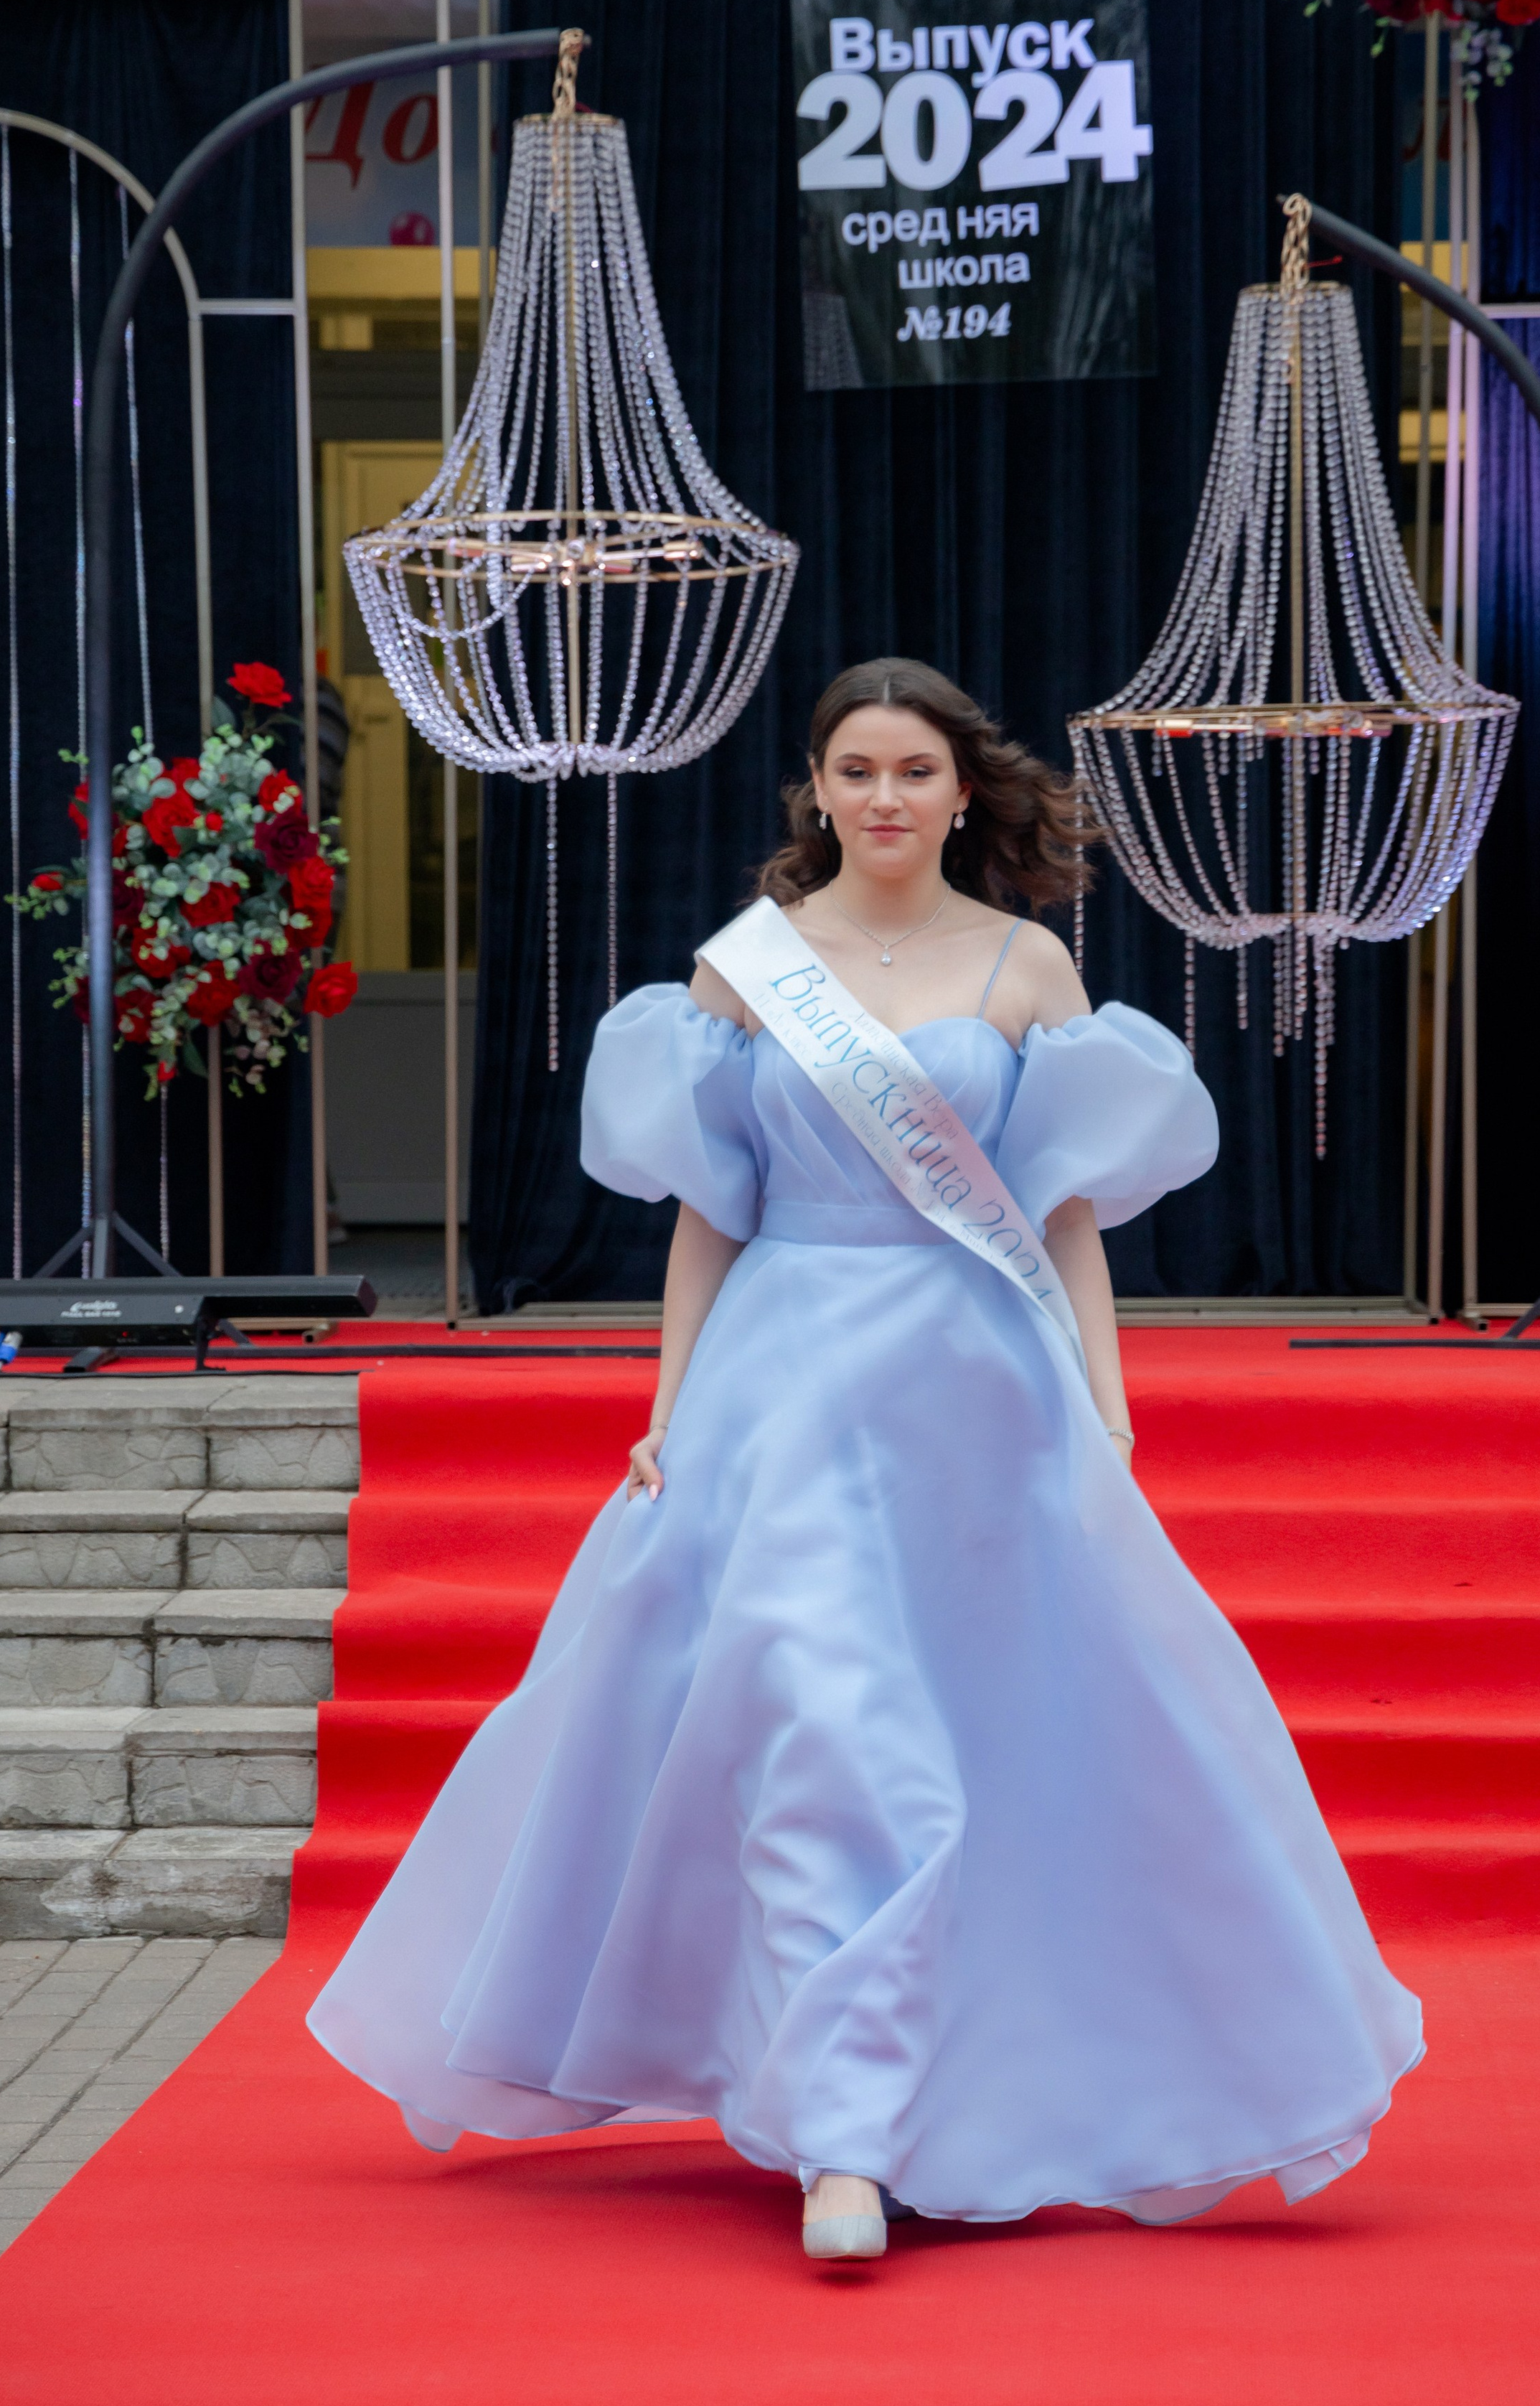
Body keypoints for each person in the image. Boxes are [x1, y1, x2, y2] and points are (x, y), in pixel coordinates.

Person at [308, 657, 1422, 2263]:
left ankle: (944, 2086)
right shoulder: (745, 972)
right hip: (786, 1386)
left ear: (960, 791)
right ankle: (840, 2139)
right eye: (855, 771)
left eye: (912, 770)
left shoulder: (1025, 964)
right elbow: (709, 1212)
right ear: (814, 793)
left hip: (974, 1393)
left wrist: (1105, 1419)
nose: (884, 797)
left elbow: (1062, 1222)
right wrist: (669, 1411)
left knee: (994, 1744)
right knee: (827, 1729)